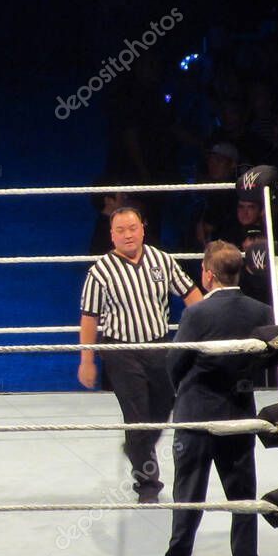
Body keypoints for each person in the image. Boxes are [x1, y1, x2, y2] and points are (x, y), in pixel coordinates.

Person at [133, 241, 273, 556]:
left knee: (188, 493)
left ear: (208, 275)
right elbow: (264, 360)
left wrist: (187, 389)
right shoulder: (260, 311)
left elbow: (175, 364)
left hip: (198, 413)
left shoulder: (197, 315)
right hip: (240, 411)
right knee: (243, 493)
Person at [78, 207, 202, 503]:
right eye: (120, 230)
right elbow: (89, 318)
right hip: (120, 351)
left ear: (142, 228)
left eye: (132, 228)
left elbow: (191, 294)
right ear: (111, 235)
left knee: (164, 405)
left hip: (158, 346)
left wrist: (206, 327)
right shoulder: (100, 271)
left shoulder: (161, 260)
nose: (127, 234)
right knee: (137, 417)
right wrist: (87, 359)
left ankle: (137, 446)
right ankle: (147, 483)